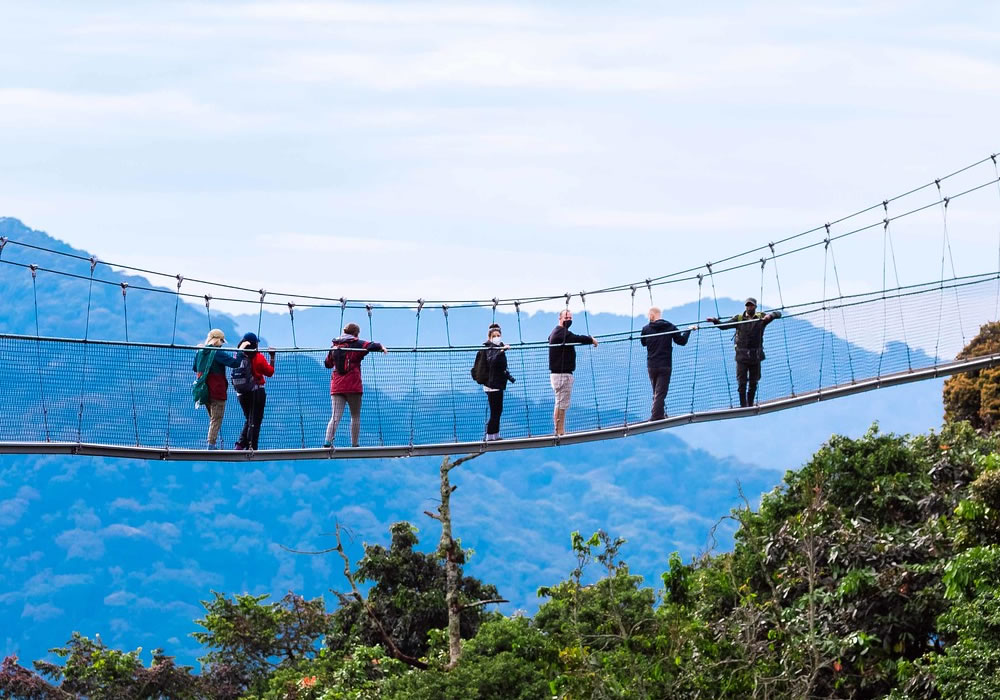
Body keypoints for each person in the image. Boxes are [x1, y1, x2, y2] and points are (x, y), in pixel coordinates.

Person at [707, 297, 782, 407]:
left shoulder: (761, 317)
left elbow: (778, 313)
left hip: (756, 356)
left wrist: (770, 316)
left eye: (751, 305)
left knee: (753, 382)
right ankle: (743, 406)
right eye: (747, 305)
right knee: (741, 382)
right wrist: (715, 321)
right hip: (741, 357)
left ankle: (750, 404)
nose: (749, 307)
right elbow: (724, 326)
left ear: (755, 307)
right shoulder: (739, 318)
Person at [323, 322, 387, 448]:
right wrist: (382, 347)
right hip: (353, 386)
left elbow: (327, 364)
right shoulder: (356, 343)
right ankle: (354, 444)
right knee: (355, 416)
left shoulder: (335, 345)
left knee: (335, 417)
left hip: (337, 387)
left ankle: (327, 442)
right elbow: (371, 345)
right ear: (356, 334)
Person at [548, 309, 598, 436]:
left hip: (558, 374)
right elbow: (577, 338)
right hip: (562, 375)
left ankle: (559, 430)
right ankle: (559, 432)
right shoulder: (561, 334)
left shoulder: (555, 332)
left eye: (570, 318)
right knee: (562, 404)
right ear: (559, 318)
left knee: (560, 403)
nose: (569, 320)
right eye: (566, 317)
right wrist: (591, 339)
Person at [640, 308, 694, 421]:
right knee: (661, 391)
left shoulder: (646, 329)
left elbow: (643, 343)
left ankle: (658, 414)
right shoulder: (670, 327)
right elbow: (682, 341)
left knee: (656, 391)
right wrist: (688, 330)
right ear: (660, 315)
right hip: (665, 364)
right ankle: (656, 415)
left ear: (651, 315)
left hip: (651, 365)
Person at [191, 328, 241, 449]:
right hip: (217, 391)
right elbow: (235, 363)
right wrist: (240, 352)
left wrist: (200, 352)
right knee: (216, 419)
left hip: (204, 392)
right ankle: (211, 444)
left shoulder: (201, 351)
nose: (222, 344)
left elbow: (195, 367)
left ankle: (211, 443)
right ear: (218, 340)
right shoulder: (217, 353)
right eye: (222, 341)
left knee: (213, 419)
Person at [233, 332, 275, 450]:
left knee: (249, 419)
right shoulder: (258, 357)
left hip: (241, 393)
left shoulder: (238, 356)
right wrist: (272, 356)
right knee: (256, 420)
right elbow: (270, 372)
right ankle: (252, 446)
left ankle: (240, 444)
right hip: (256, 392)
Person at [473, 323, 516, 441]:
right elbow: (492, 361)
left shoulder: (498, 347)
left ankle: (495, 435)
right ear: (490, 337)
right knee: (495, 411)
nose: (497, 337)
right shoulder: (489, 348)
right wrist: (502, 350)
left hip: (498, 383)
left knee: (498, 410)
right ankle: (489, 436)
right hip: (491, 384)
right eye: (494, 336)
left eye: (498, 335)